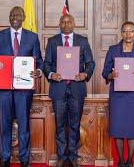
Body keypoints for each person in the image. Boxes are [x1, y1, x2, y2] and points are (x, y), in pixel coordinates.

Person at [0, 6, 43, 167]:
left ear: (24, 17)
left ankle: (25, 160)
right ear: (9, 18)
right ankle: (4, 159)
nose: (15, 17)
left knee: (24, 125)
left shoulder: (32, 37)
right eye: (12, 14)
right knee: (5, 125)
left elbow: (39, 61)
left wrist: (37, 71)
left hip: (24, 91)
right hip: (3, 91)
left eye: (18, 14)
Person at [43, 14, 95, 167]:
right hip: (58, 88)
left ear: (74, 24)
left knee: (74, 123)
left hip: (76, 89)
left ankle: (72, 155)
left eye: (69, 22)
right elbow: (47, 64)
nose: (66, 24)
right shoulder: (52, 41)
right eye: (63, 22)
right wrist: (52, 74)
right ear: (59, 24)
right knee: (59, 124)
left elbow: (90, 63)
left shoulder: (82, 41)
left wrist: (84, 74)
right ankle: (61, 156)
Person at [102, 21, 134, 167]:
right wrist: (110, 75)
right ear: (121, 33)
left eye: (131, 31)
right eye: (125, 31)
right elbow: (105, 72)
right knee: (118, 127)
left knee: (132, 127)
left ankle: (130, 160)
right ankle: (121, 161)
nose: (128, 34)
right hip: (118, 96)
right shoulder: (113, 50)